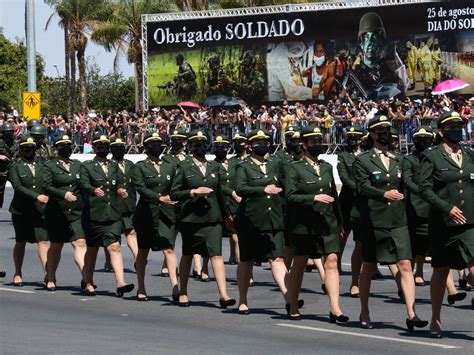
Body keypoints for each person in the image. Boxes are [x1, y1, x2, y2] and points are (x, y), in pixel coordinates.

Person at [354, 115, 427, 331]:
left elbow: (408, 183)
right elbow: (363, 187)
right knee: (368, 267)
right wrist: (382, 194)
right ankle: (364, 311)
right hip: (374, 220)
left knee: (405, 264)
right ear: (372, 135)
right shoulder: (363, 160)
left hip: (397, 219)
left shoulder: (399, 159)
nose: (384, 135)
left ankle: (412, 313)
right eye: (380, 131)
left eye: (387, 131)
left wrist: (427, 194)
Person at [419, 111, 474, 337]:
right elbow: (425, 188)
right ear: (441, 131)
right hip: (443, 223)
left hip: (470, 222)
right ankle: (436, 318)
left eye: (458, 125)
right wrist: (446, 208)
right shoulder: (432, 156)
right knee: (441, 271)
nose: (456, 129)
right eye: (450, 126)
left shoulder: (470, 154)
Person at [285, 125, 347, 322]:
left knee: (332, 262)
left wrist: (340, 222)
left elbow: (333, 197)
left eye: (318, 141)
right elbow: (290, 196)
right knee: (300, 264)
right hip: (304, 225)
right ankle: (293, 304)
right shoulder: (293, 168)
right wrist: (312, 197)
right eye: (312, 142)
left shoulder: (326, 167)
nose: (316, 145)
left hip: (326, 222)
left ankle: (335, 308)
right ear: (303, 144)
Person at [170, 129, 235, 308]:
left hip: (212, 219)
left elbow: (220, 194)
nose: (200, 146)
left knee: (216, 255)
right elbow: (174, 193)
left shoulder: (214, 166)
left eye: (203, 143)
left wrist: (227, 215)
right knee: (188, 255)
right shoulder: (183, 167)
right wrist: (192, 192)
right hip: (191, 219)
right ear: (189, 146)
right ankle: (183, 291)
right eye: (196, 143)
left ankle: (224, 294)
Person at [234, 129, 295, 315]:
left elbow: (285, 184)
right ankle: (243, 300)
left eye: (265, 142)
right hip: (251, 220)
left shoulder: (275, 164)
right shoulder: (243, 166)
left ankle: (288, 297)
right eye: (258, 142)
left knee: (277, 258)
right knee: (247, 261)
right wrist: (262, 189)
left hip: (273, 219)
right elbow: (240, 188)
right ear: (250, 146)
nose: (262, 145)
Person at [80, 134, 134, 297]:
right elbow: (83, 183)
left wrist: (118, 191)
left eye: (106, 147)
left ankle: (120, 282)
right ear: (94, 148)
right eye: (100, 147)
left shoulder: (113, 166)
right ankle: (88, 281)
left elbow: (115, 184)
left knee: (115, 246)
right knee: (92, 249)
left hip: (112, 213)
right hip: (94, 214)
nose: (103, 149)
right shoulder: (87, 166)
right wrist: (92, 190)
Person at [133, 132, 179, 301]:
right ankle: (141, 287)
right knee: (143, 251)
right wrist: (158, 198)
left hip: (166, 214)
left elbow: (175, 185)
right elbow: (140, 188)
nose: (156, 147)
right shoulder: (140, 167)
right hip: (146, 214)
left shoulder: (169, 165)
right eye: (152, 144)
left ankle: (175, 286)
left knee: (169, 248)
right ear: (145, 147)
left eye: (158, 143)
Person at [43, 134, 87, 291]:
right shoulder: (50, 166)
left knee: (80, 243)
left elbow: (83, 184)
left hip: (76, 211)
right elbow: (46, 186)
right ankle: (51, 276)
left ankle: (86, 277)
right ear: (57, 148)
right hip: (57, 212)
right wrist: (63, 194)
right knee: (56, 245)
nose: (66, 148)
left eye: (69, 145)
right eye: (63, 146)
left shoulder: (77, 165)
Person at [8, 135, 49, 286]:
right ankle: (18, 273)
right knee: (21, 241)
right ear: (21, 150)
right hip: (21, 211)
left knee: (43, 241)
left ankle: (48, 273)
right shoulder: (15, 166)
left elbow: (47, 183)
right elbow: (17, 187)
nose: (29, 151)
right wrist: (37, 196)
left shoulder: (42, 166)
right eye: (26, 148)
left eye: (32, 148)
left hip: (39, 211)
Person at [337, 125, 364, 297]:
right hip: (348, 199)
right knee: (343, 233)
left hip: (362, 200)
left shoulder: (367, 155)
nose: (353, 140)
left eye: (356, 137)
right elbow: (344, 177)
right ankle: (336, 262)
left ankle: (370, 268)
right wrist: (361, 188)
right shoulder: (343, 156)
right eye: (350, 137)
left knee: (362, 238)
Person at [110, 137, 138, 261]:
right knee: (113, 237)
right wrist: (115, 190)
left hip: (129, 205)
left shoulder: (130, 164)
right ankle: (108, 260)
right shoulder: (108, 165)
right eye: (116, 148)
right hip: (114, 206)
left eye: (121, 147)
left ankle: (139, 259)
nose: (119, 150)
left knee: (131, 232)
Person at [226, 132, 248, 264]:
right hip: (235, 199)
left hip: (249, 198)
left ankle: (237, 255)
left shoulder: (252, 160)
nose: (238, 145)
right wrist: (233, 194)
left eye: (241, 142)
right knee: (235, 231)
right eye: (236, 142)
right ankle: (239, 258)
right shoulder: (231, 161)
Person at [0, 122, 16, 207]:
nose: (10, 134)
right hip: (1, 171)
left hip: (12, 170)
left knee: (19, 189)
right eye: (7, 132)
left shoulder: (15, 142)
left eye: (11, 131)